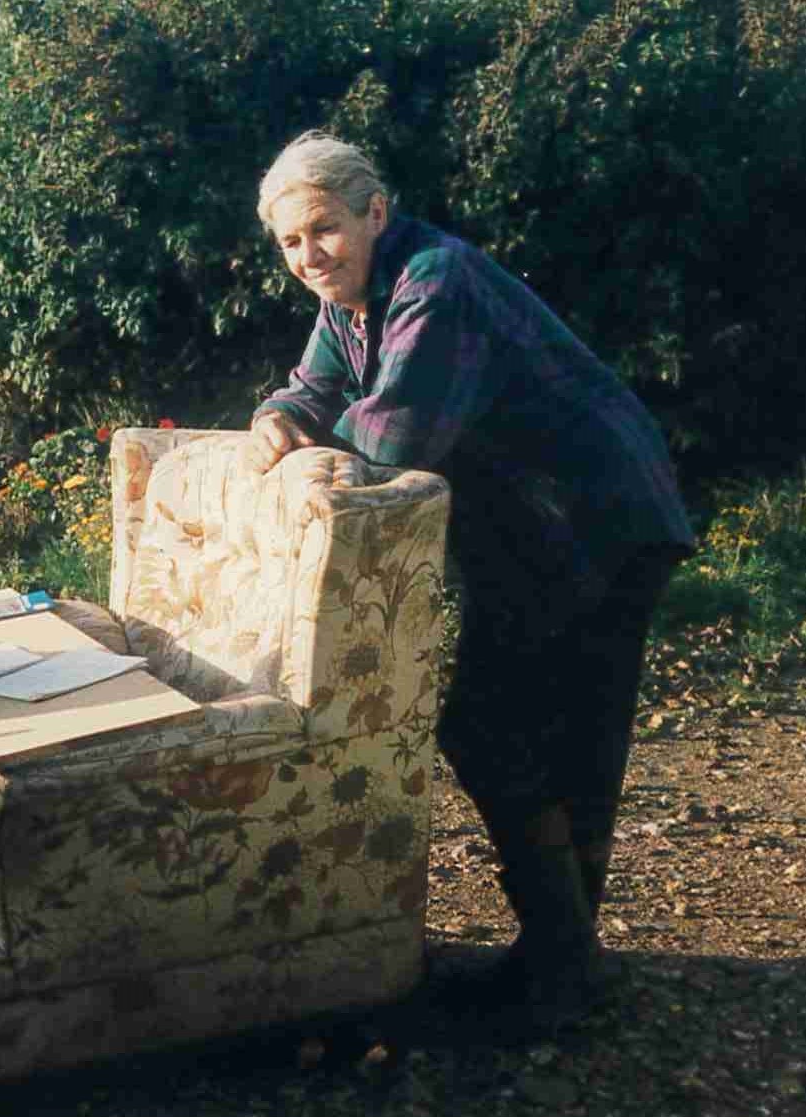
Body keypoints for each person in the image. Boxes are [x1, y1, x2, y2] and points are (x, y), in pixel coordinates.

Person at [246, 132, 696, 1030]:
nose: (308, 257)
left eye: (323, 230)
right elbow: (316, 386)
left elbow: (390, 441)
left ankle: (562, 970)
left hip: (597, 517)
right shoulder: (353, 292)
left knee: (531, 726)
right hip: (525, 531)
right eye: (290, 243)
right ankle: (559, 955)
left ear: (376, 212)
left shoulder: (434, 284)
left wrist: (317, 458)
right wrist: (277, 416)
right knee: (519, 725)